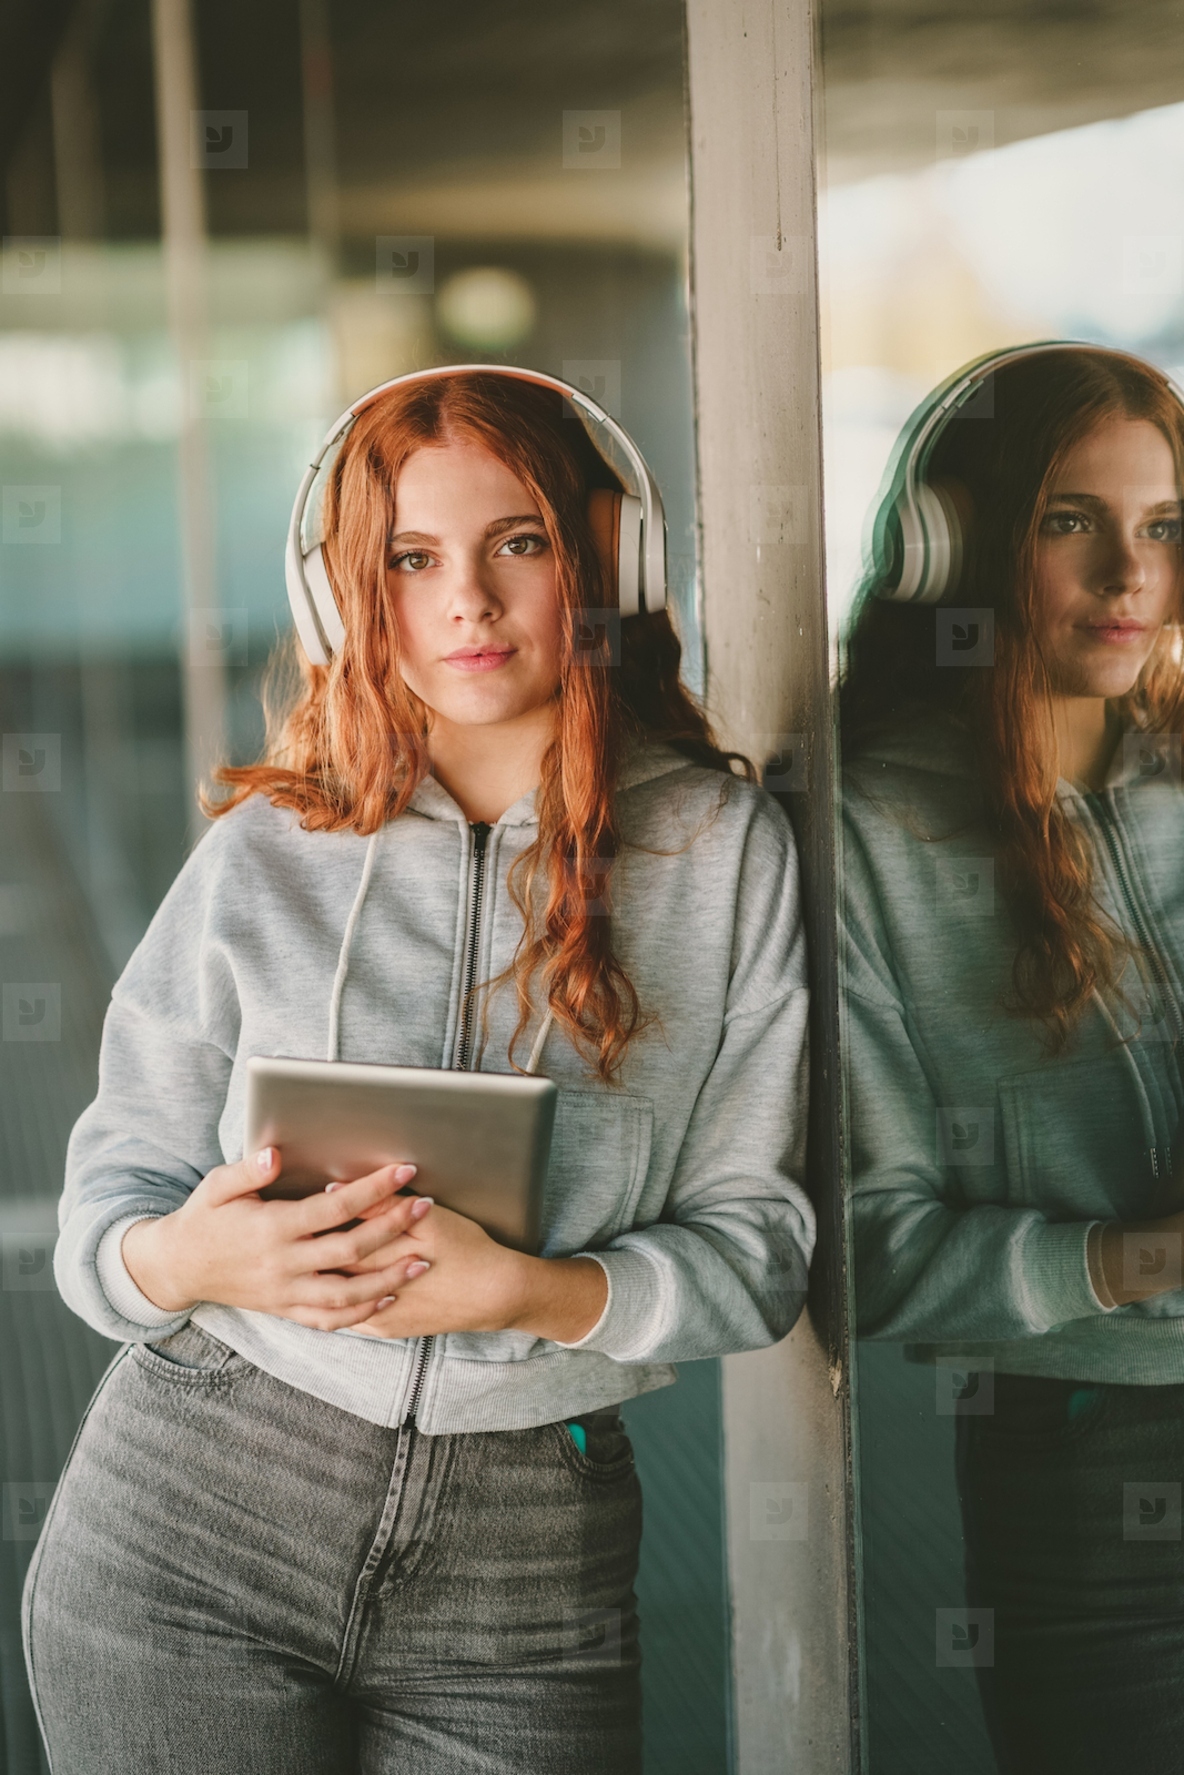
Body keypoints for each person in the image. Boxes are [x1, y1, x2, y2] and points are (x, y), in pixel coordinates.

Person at [23, 369, 813, 1775]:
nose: (469, 602)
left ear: (606, 565)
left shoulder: (723, 853)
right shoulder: (265, 852)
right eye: (410, 558)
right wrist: (193, 1260)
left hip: (531, 1563)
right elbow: (101, 1229)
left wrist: (535, 1293)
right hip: (192, 1513)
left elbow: (759, 1247)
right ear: (347, 594)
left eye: (520, 543)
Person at [840, 342, 1184, 1773]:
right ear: (951, 547)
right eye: (1069, 522)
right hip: (1087, 1455)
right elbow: (863, 1246)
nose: (1131, 579)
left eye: (1163, 527)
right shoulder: (865, 834)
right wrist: (1132, 1262)